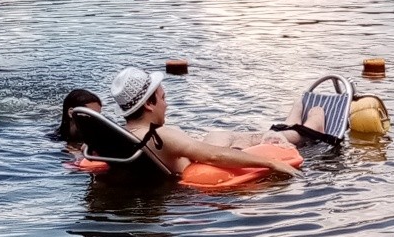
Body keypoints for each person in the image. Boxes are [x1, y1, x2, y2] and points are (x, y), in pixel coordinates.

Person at [110, 67, 313, 178]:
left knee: (218, 135)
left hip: (186, 156)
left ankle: (295, 114)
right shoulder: (161, 135)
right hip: (204, 161)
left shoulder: (116, 138)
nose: (167, 105)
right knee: (225, 136)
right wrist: (272, 163)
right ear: (149, 105)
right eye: (163, 98)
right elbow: (214, 155)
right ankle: (306, 122)